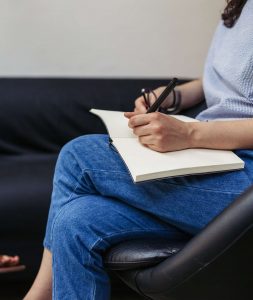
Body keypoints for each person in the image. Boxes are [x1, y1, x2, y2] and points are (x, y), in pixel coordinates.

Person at [24, 0, 253, 299]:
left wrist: (190, 132)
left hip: (243, 184)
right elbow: (232, 82)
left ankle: (38, 295)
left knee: (79, 156)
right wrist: (176, 96)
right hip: (220, 160)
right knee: (74, 221)